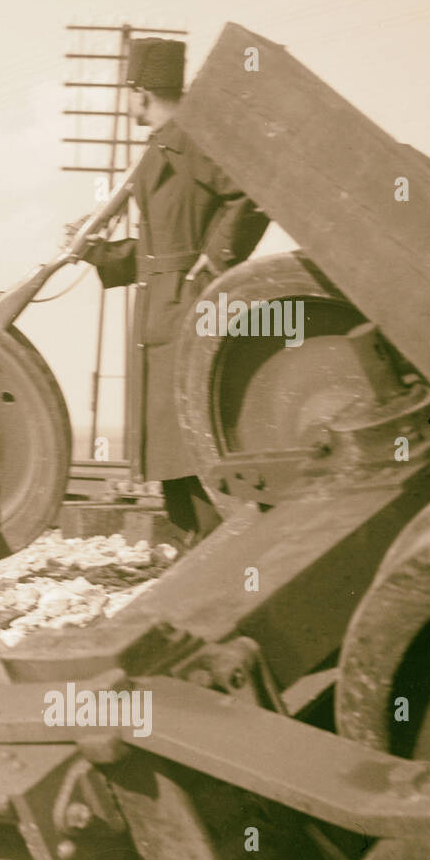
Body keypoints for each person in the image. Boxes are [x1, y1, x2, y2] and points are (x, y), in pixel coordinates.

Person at [75, 38, 268, 536]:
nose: (126, 102)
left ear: (141, 92)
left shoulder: (192, 141)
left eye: (127, 92)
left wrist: (215, 260)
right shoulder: (161, 147)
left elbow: (250, 193)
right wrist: (96, 252)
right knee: (170, 455)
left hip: (188, 311)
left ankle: (213, 557)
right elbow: (153, 248)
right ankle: (194, 551)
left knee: (191, 449)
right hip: (160, 311)